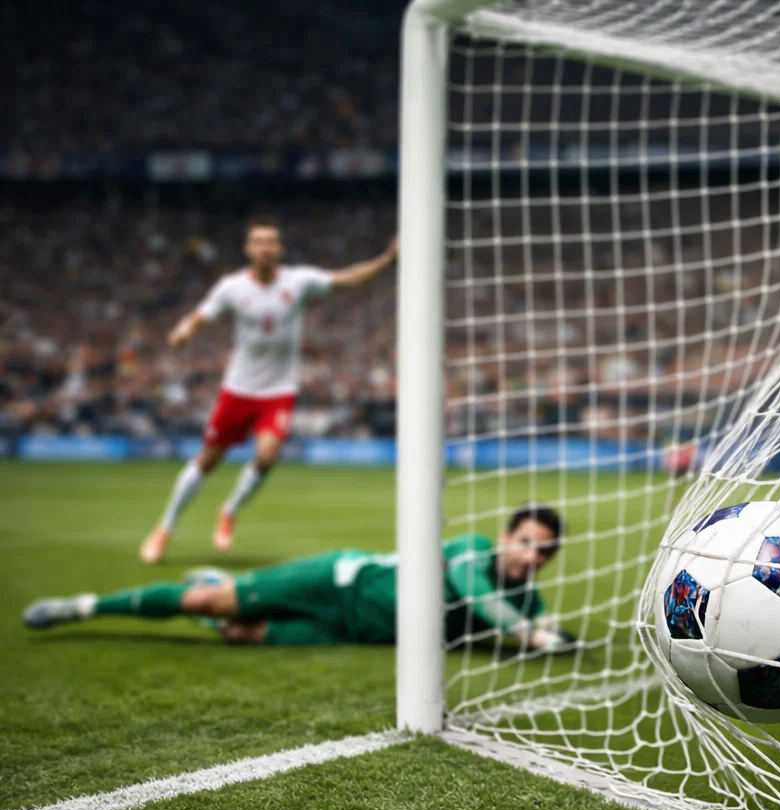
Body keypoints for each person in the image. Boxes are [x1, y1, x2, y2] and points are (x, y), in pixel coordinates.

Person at [139, 216, 399, 564]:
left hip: (278, 390)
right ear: (248, 249)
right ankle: (165, 528)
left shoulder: (299, 281)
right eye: (258, 241)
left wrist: (386, 260)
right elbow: (201, 315)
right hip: (238, 388)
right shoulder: (232, 287)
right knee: (208, 460)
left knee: (266, 456)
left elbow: (347, 279)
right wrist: (185, 330)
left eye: (271, 241)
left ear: (279, 249)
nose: (265, 247)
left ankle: (229, 511)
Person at [28, 505, 574, 651]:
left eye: (543, 552)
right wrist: (531, 634)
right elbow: (481, 600)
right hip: (340, 582)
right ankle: (82, 606)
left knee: (240, 635)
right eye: (525, 542)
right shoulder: (472, 552)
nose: (531, 556)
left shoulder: (527, 598)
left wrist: (553, 633)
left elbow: (544, 621)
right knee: (206, 604)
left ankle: (224, 594)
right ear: (505, 537)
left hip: (353, 632)